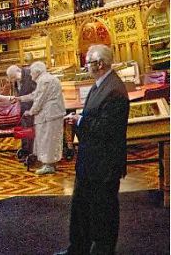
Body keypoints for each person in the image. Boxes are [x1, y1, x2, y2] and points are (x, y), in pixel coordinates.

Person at [55, 44, 130, 255]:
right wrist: (80, 119)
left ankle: (103, 251)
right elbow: (95, 117)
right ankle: (78, 248)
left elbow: (107, 129)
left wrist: (80, 120)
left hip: (104, 163)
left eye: (88, 62)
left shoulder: (114, 90)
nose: (85, 66)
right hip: (91, 160)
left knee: (103, 211)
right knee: (82, 209)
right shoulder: (101, 85)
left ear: (99, 64)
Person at [18, 61, 65, 175]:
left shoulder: (45, 80)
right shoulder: (45, 79)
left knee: (48, 140)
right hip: (50, 114)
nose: (30, 75)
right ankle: (49, 164)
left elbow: (39, 100)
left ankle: (48, 165)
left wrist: (30, 112)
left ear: (37, 72)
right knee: (49, 139)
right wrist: (20, 98)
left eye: (31, 72)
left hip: (49, 115)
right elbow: (35, 95)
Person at [7, 63, 37, 158]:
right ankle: (26, 150)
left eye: (13, 77)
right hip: (23, 108)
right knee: (25, 130)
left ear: (18, 71)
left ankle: (32, 152)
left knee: (31, 130)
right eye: (11, 78)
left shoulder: (30, 74)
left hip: (32, 107)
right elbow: (18, 93)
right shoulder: (16, 80)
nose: (13, 80)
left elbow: (36, 92)